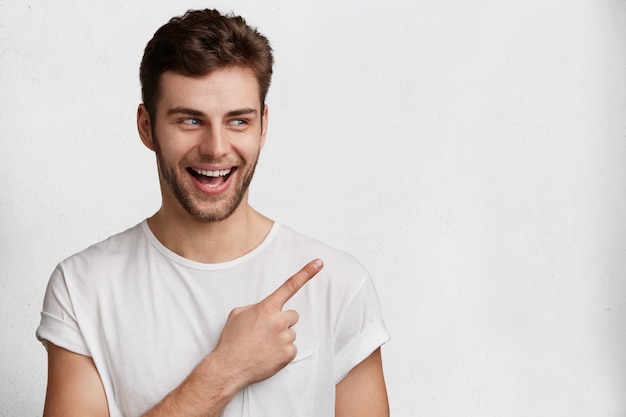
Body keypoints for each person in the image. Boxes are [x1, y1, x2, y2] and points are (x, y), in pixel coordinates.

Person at [36, 8, 390, 417]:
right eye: (190, 120)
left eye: (238, 121)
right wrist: (227, 369)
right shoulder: (82, 288)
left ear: (263, 126)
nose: (216, 147)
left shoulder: (340, 285)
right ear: (147, 127)